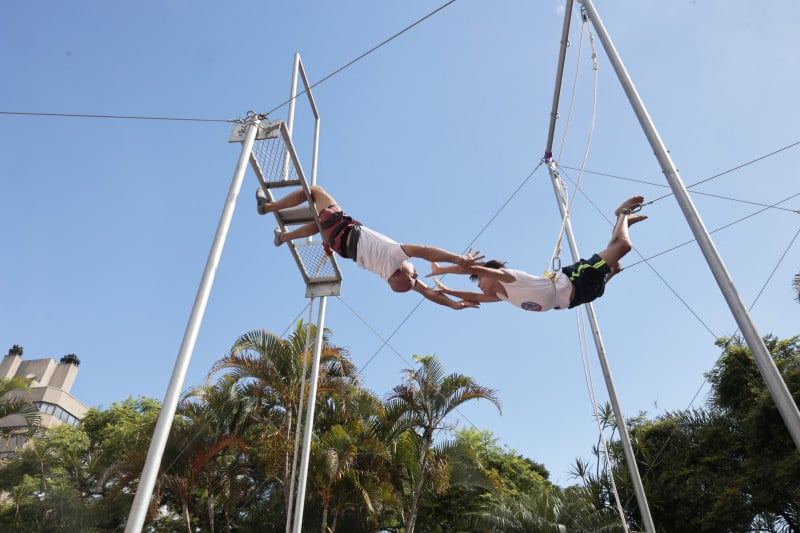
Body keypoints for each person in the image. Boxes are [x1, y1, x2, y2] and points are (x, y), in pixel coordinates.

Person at [256, 185, 483, 310]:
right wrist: (453, 305)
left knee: (315, 191)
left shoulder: (394, 255)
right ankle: (284, 237)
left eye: (414, 272)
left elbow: (425, 250)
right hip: (340, 247)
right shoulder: (387, 274)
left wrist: (458, 259)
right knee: (318, 226)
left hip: (344, 230)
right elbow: (427, 292)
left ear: (407, 271)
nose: (416, 270)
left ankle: (268, 207)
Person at [428, 196, 647, 311]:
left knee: (623, 248)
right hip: (579, 297)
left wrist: (443, 268)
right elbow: (473, 297)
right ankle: (623, 222)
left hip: (576, 280)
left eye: (479, 279)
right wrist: (447, 290)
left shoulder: (509, 277)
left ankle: (621, 216)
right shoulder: (501, 296)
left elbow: (471, 267)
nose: (477, 284)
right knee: (615, 264)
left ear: (491, 272)